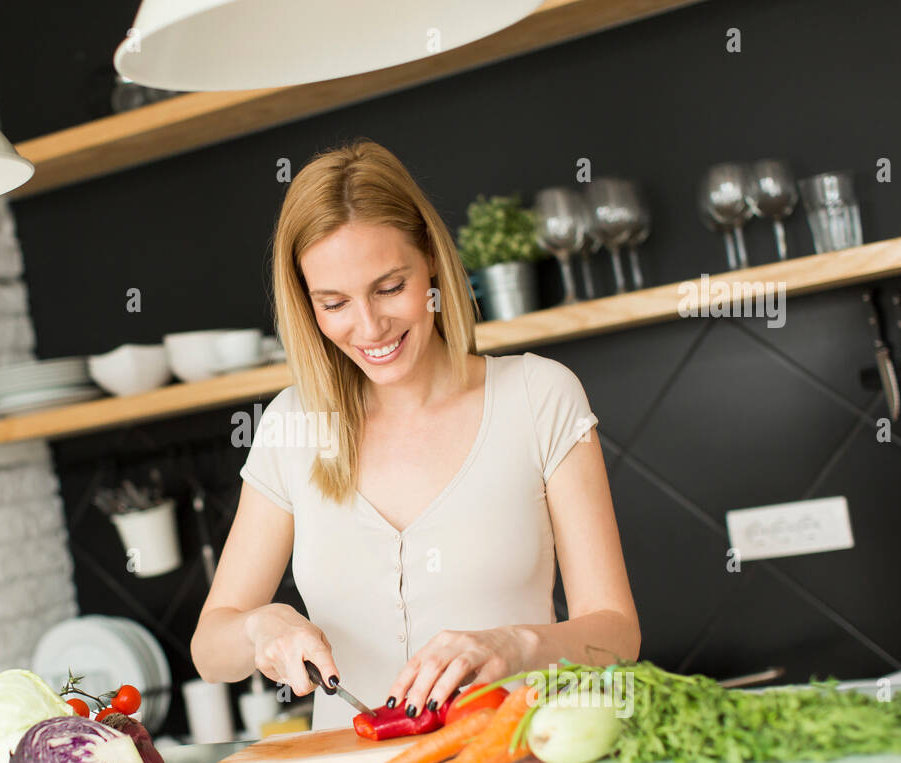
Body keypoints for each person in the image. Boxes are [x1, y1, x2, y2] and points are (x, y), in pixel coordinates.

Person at [191, 138, 640, 730]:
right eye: (334, 303)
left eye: (390, 287)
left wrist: (516, 645)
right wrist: (260, 627)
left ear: (431, 260)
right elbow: (209, 650)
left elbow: (617, 634)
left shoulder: (539, 396)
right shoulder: (290, 427)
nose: (370, 326)